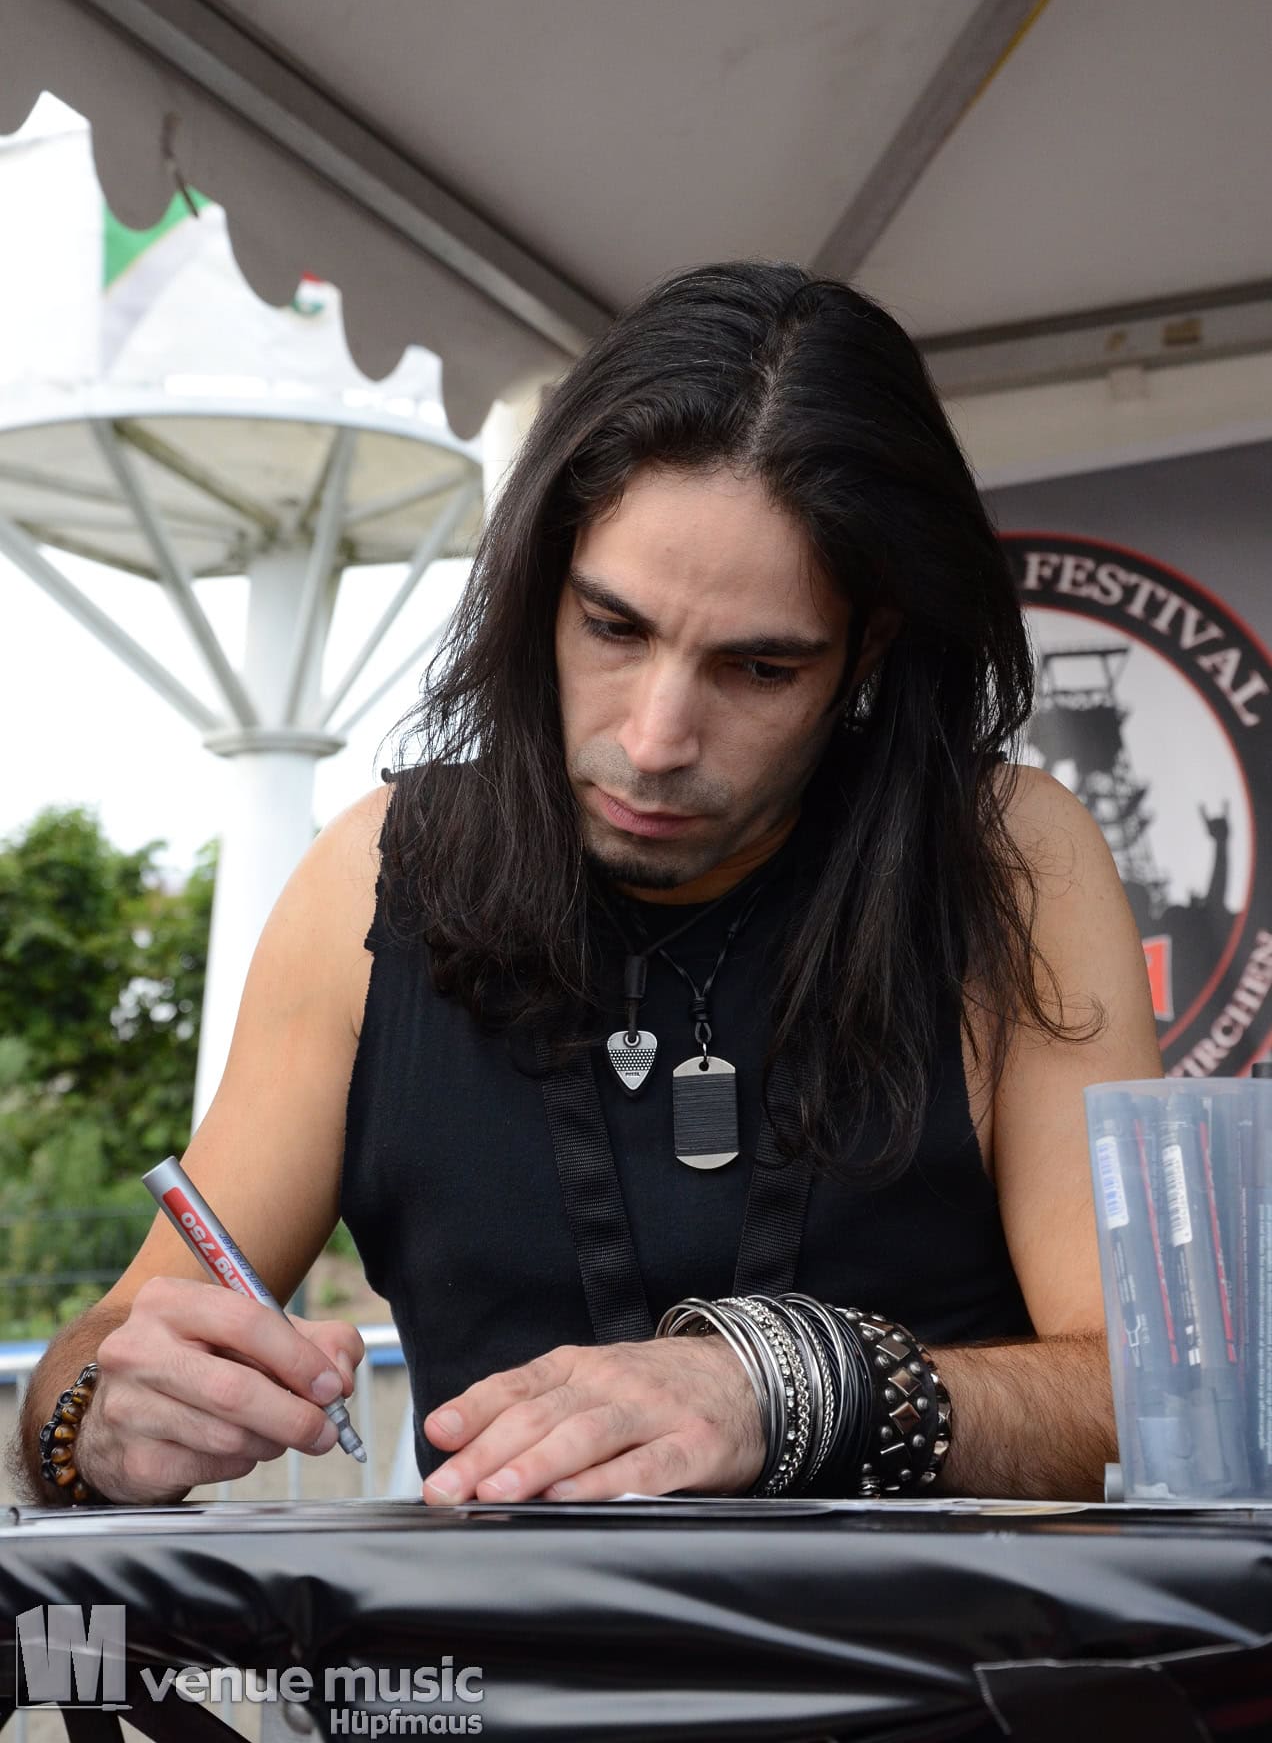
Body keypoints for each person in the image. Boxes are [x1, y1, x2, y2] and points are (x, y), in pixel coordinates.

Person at [12, 262, 1161, 1510]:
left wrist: (799, 1391)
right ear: (539, 583)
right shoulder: (369, 878)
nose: (656, 740)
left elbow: (1152, 1393)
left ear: (868, 646)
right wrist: (101, 1419)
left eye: (759, 669)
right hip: (475, 1644)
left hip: (932, 1646)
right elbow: (106, 1350)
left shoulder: (1010, 861)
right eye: (614, 629)